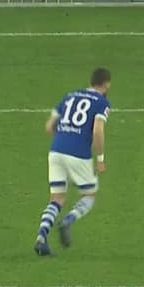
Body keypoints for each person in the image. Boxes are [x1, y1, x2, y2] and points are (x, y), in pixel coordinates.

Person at [34, 67, 112, 257]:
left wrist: (64, 138)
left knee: (57, 198)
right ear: (106, 84)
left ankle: (41, 237)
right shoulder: (102, 102)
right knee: (89, 195)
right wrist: (100, 159)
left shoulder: (70, 96)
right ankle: (68, 221)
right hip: (78, 153)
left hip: (56, 150)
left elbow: (49, 127)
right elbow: (98, 130)